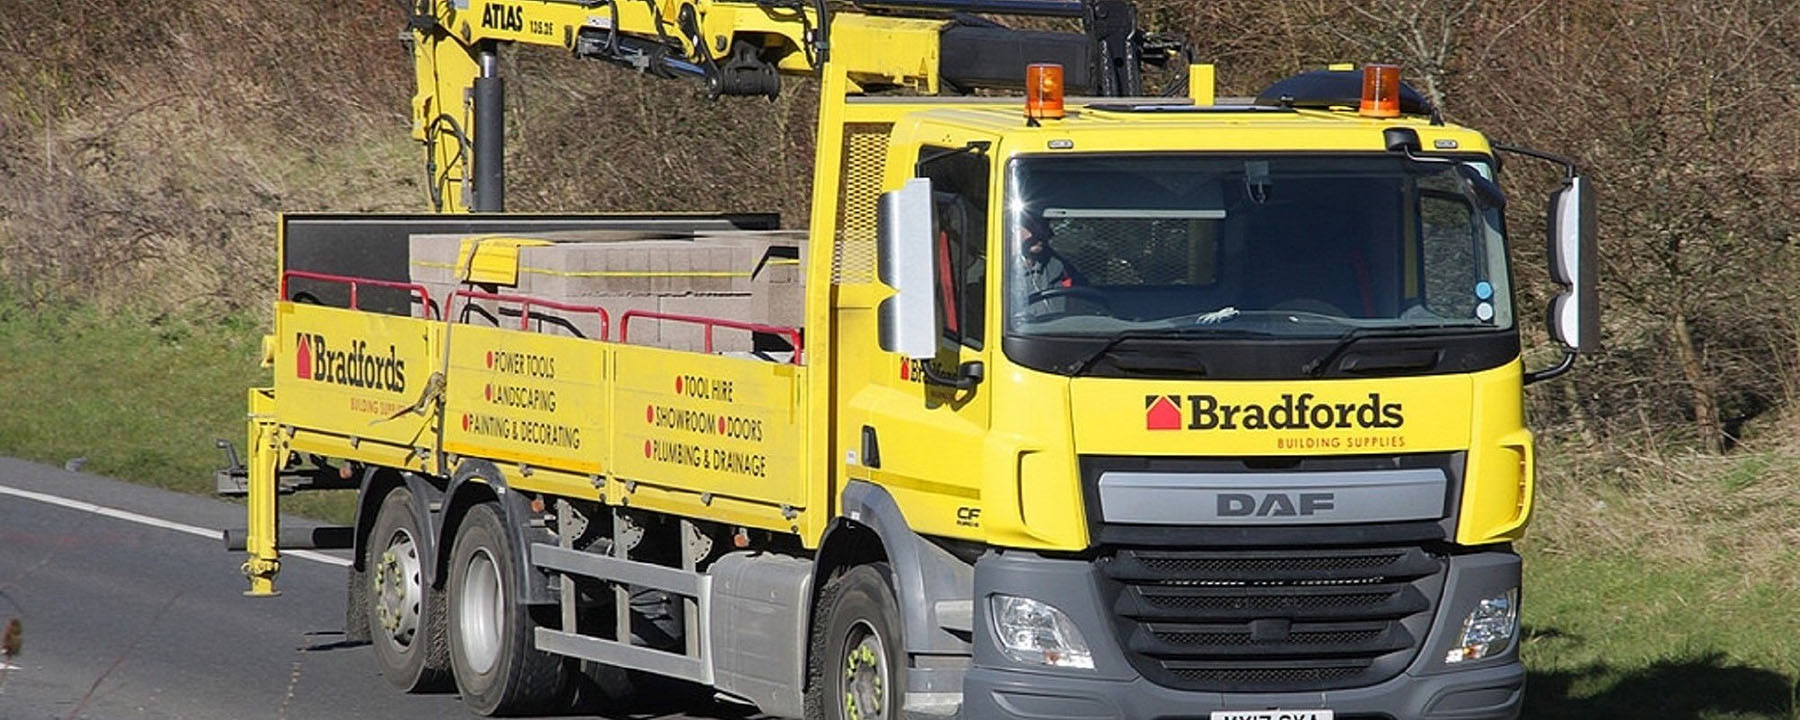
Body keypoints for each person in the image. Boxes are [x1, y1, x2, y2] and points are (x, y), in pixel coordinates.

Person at [1015, 211, 1082, 316]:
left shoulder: (1056, 266)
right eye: (1032, 227)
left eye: (1043, 227)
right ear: (1013, 230)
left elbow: (1080, 294)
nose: (1039, 234)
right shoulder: (998, 268)